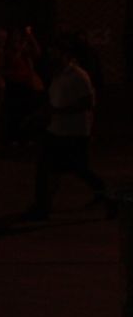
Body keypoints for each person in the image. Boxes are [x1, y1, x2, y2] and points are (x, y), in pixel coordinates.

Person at [23, 35, 107, 220]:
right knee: (46, 168)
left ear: (66, 55)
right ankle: (42, 206)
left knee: (79, 169)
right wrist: (40, 114)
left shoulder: (78, 75)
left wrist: (60, 111)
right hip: (56, 130)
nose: (52, 56)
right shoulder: (58, 75)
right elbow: (53, 100)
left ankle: (105, 195)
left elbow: (87, 103)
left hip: (74, 132)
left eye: (56, 53)